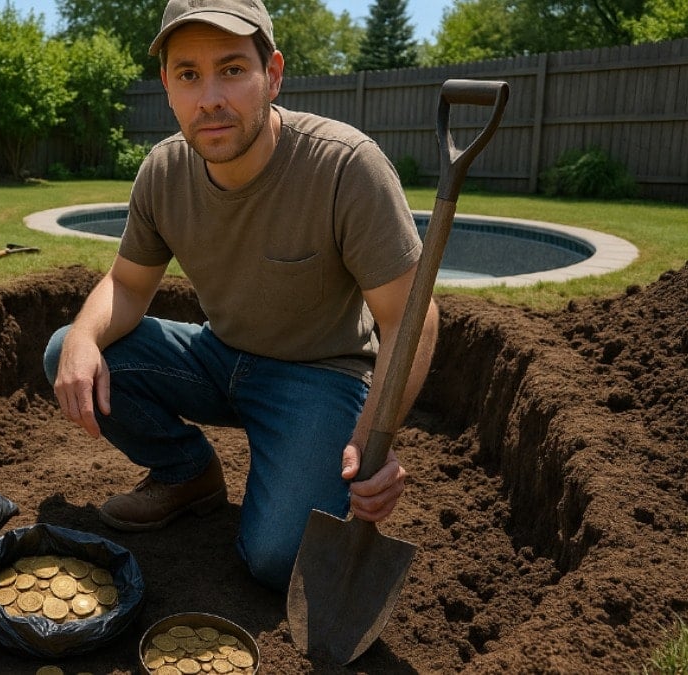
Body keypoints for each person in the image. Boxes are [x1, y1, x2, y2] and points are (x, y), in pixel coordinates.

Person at [43, 0, 438, 592]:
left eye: (231, 69)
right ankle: (188, 474)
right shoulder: (163, 172)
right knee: (69, 352)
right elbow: (127, 285)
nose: (210, 98)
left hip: (321, 375)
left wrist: (373, 438)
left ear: (272, 74)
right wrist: (81, 336)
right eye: (188, 75)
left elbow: (414, 318)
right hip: (218, 356)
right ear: (168, 89)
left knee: (280, 560)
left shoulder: (344, 167)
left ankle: (296, 471)